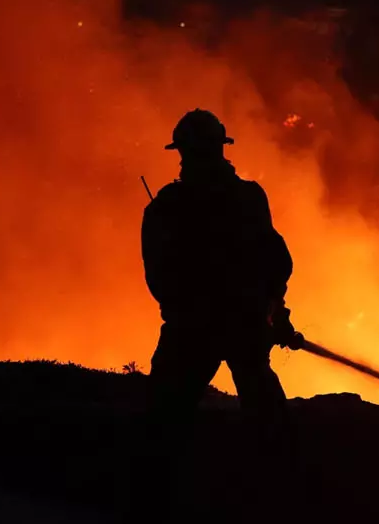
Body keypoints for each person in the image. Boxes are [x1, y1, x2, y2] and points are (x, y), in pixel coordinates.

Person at [131, 108, 302, 520]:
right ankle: (276, 500)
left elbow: (160, 278)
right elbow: (275, 262)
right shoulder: (245, 198)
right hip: (230, 326)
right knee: (262, 417)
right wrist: (268, 311)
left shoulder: (168, 207)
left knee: (166, 422)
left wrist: (271, 312)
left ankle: (162, 504)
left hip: (196, 331)